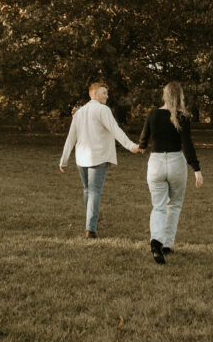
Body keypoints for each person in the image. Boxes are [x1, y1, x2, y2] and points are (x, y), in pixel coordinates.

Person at [60, 82, 141, 238]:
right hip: (98, 157)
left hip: (82, 158)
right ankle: (91, 228)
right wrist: (131, 146)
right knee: (94, 191)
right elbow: (115, 130)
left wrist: (64, 160)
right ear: (94, 94)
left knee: (88, 190)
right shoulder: (102, 110)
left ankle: (91, 221)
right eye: (104, 93)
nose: (107, 96)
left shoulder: (80, 112)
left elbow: (71, 138)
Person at [139, 81, 203, 264]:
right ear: (180, 96)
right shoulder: (182, 116)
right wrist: (196, 169)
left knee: (158, 206)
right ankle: (166, 244)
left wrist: (138, 147)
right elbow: (187, 144)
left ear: (164, 95)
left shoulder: (152, 114)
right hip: (176, 163)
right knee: (174, 205)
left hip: (156, 163)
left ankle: (155, 241)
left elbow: (143, 141)